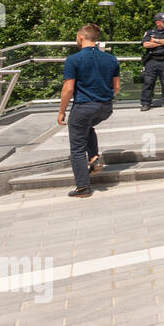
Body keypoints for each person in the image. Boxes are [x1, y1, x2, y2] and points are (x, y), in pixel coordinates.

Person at [58, 24, 120, 198]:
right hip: (106, 107)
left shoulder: (73, 60)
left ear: (81, 37)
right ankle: (94, 158)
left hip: (84, 107)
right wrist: (105, 98)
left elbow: (68, 89)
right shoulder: (111, 59)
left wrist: (61, 111)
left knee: (77, 149)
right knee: (87, 128)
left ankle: (83, 188)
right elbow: (116, 87)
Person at [139, 12, 164, 111]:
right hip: (151, 61)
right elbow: (146, 45)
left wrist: (155, 41)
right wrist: (163, 43)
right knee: (148, 82)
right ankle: (146, 103)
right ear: (157, 22)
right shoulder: (149, 32)